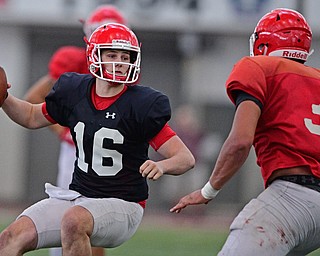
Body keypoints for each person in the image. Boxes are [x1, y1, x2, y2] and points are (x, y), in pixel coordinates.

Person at [0, 23, 195, 256]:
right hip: (78, 197)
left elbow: (185, 158)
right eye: (111, 54)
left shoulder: (141, 104)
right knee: (10, 238)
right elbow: (31, 116)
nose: (119, 62)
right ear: (94, 54)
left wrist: (162, 165)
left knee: (74, 221)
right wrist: (4, 98)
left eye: (125, 56)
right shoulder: (75, 91)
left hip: (124, 205)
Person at [170, 8, 320, 255]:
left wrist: (209, 190)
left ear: (262, 43)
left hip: (291, 195)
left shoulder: (259, 67)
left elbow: (240, 142)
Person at [23, 5, 129, 256]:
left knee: (97, 224)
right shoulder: (74, 62)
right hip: (77, 154)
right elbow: (34, 97)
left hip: (107, 154)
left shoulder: (125, 69)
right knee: (69, 218)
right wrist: (64, 132)